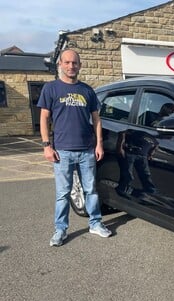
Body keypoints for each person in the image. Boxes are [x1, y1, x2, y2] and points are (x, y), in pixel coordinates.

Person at [38, 49, 111, 247]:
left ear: (79, 65)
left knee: (91, 190)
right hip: (62, 151)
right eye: (67, 62)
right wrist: (46, 146)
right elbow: (44, 118)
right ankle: (60, 229)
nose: (71, 66)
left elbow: (96, 119)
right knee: (63, 193)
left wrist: (99, 143)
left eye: (75, 63)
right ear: (60, 64)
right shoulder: (51, 89)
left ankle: (95, 223)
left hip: (87, 150)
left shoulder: (87, 90)